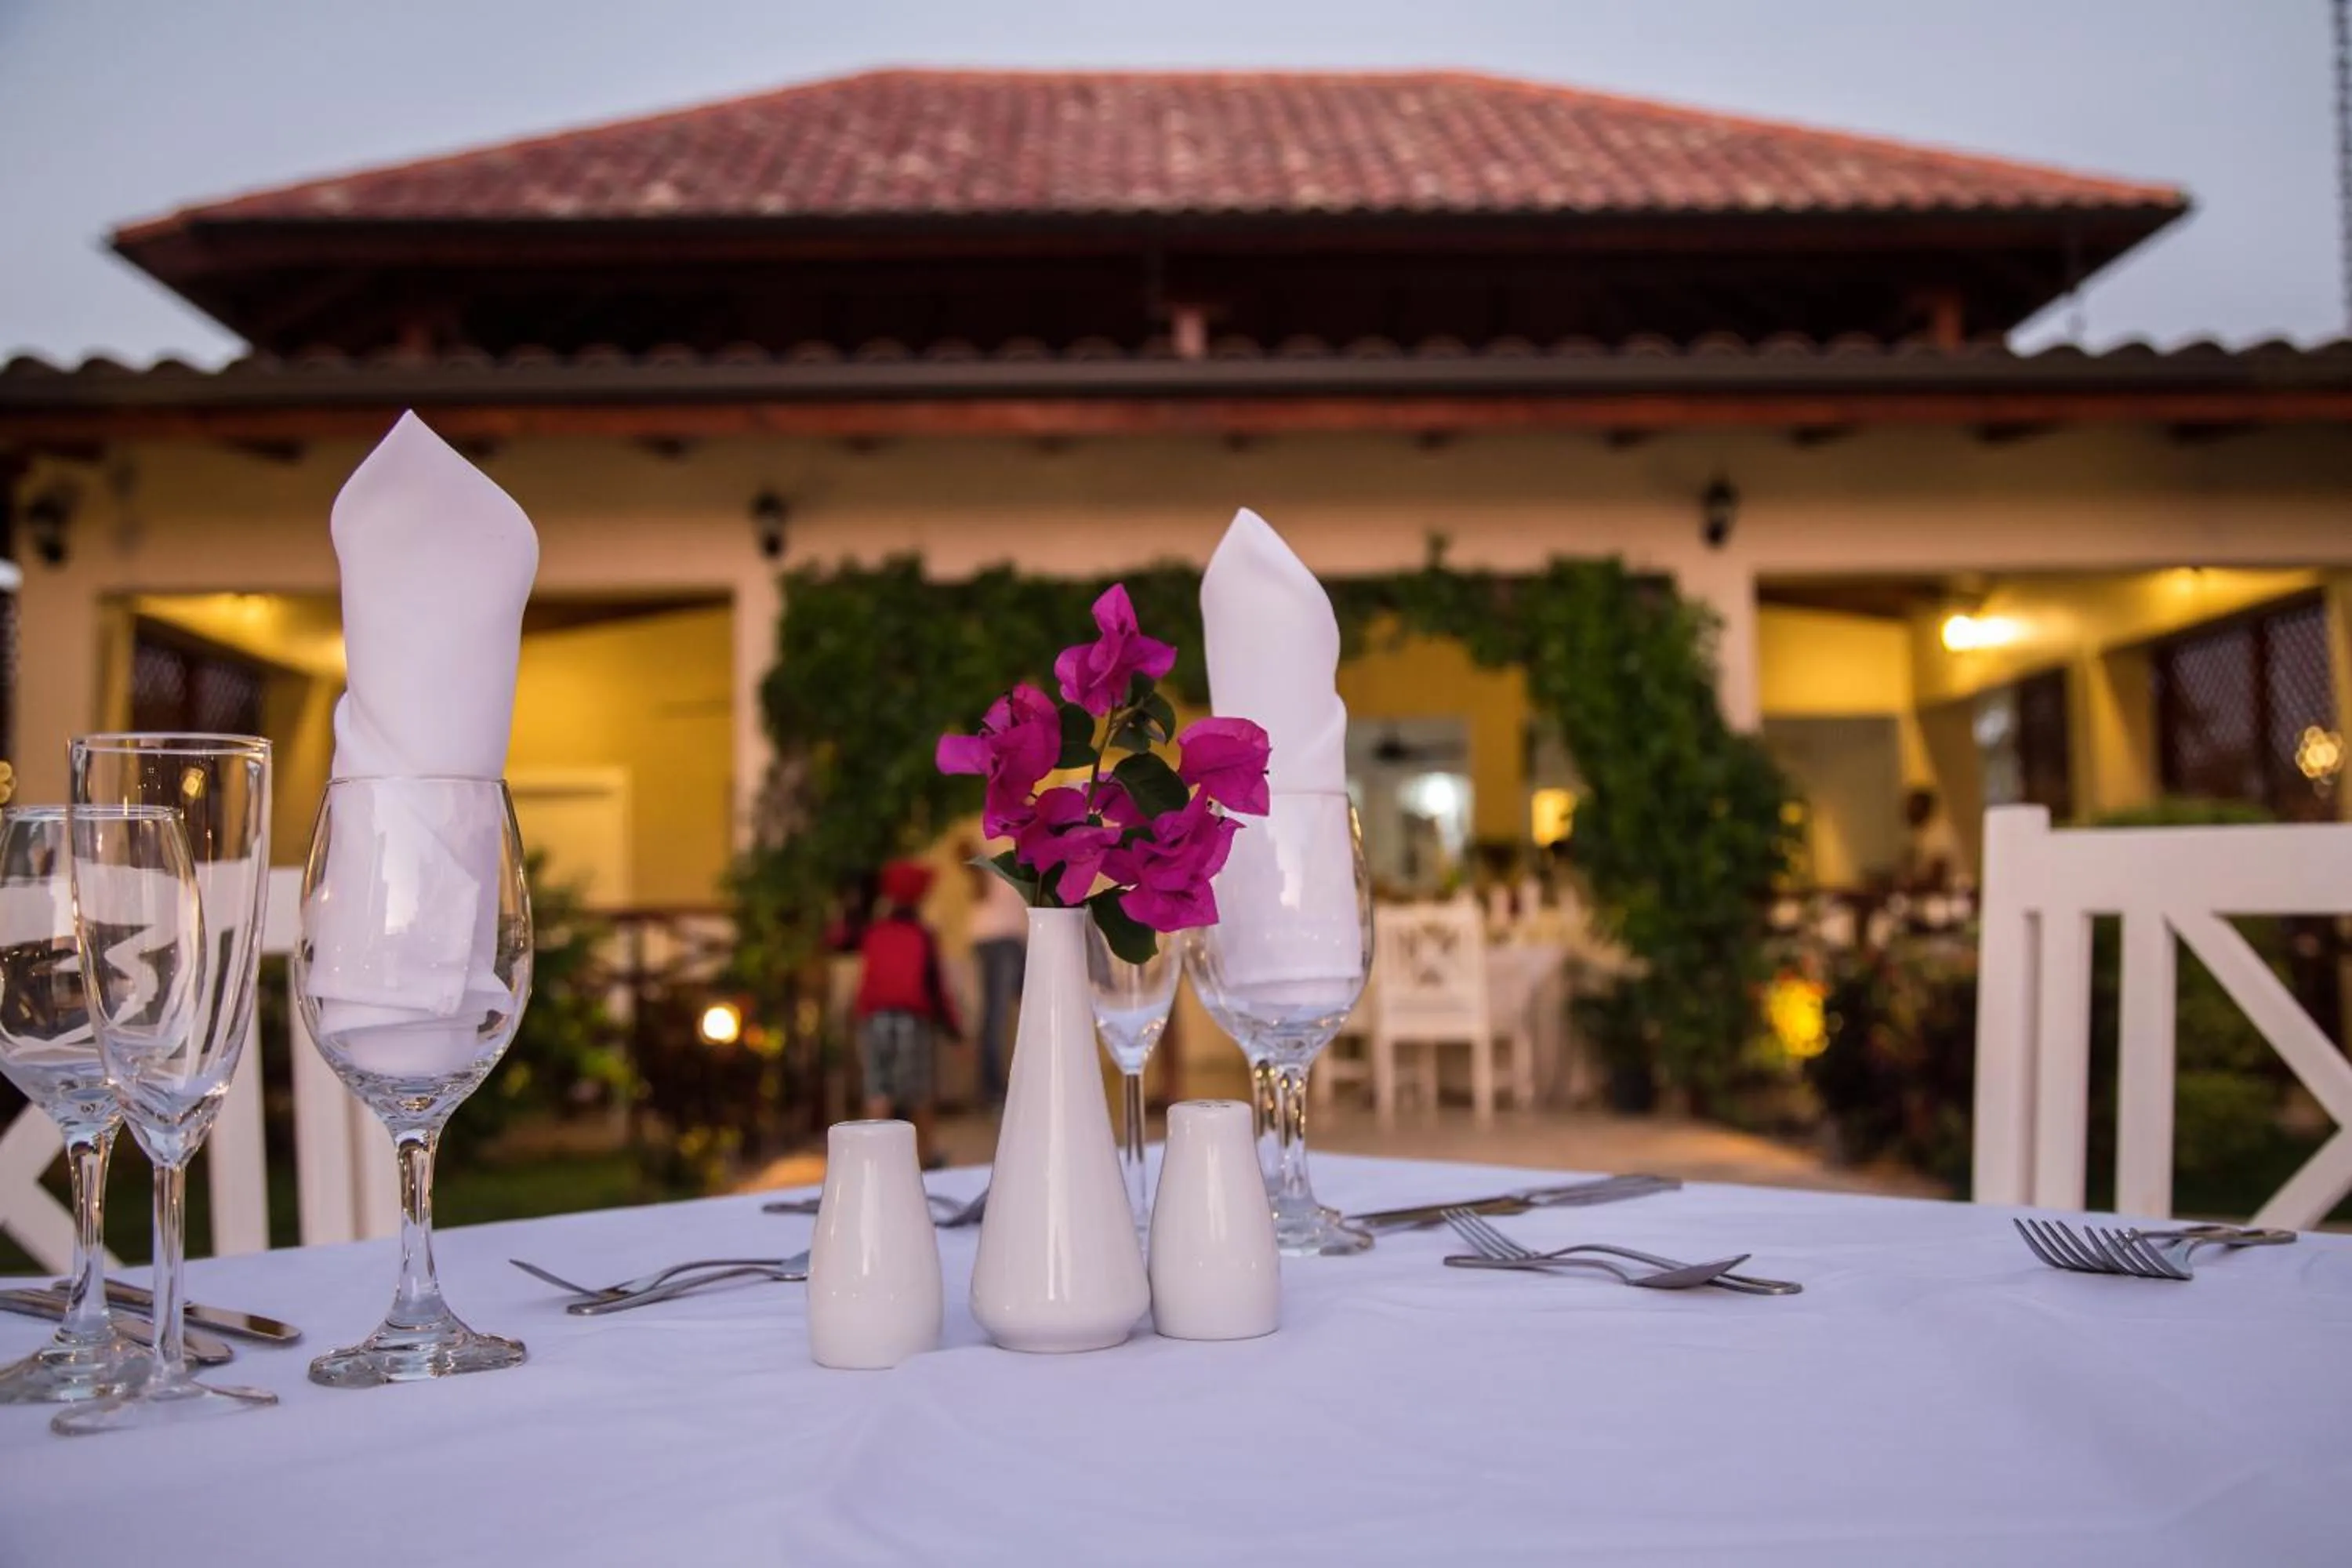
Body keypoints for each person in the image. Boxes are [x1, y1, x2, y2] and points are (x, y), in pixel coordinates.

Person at [855, 859, 962, 1168]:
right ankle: (926, 1158)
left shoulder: (874, 933)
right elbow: (936, 986)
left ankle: (873, 1161)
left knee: (878, 1089)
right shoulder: (923, 935)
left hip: (874, 1017)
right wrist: (954, 1029)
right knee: (919, 1093)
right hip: (911, 1020)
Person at [965, 845, 1029, 1105]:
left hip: (1006, 937)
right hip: (999, 937)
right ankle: (992, 1090)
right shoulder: (998, 839)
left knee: (1028, 1011)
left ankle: (1001, 1086)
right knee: (997, 1015)